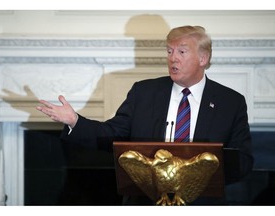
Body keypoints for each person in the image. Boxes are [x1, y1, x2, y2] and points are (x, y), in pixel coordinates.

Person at [36, 25, 254, 205]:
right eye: (169, 51)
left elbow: (243, 161)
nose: (173, 59)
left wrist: (205, 170)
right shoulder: (144, 93)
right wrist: (75, 121)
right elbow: (112, 135)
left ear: (203, 58)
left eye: (182, 52)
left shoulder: (230, 102)